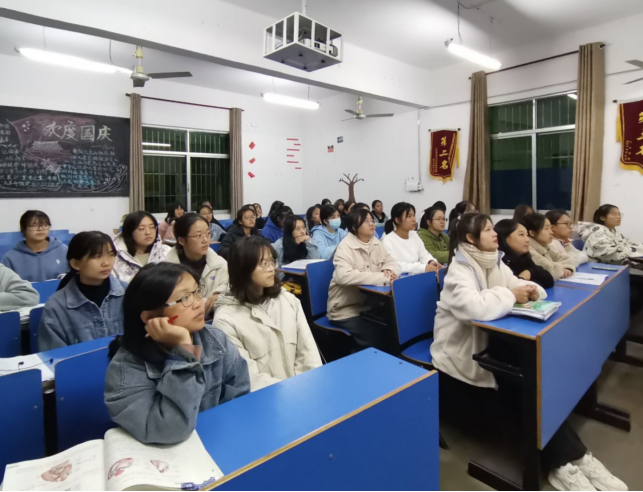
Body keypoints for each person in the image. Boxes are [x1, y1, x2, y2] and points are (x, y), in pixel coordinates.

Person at [432, 213, 625, 492]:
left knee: (533, 385)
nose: (494, 233)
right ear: (470, 239)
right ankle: (566, 462)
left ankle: (573, 459)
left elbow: (520, 284)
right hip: (462, 355)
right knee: (524, 393)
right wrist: (512, 295)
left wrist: (531, 290)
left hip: (494, 345)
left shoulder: (494, 260)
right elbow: (475, 307)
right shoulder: (459, 270)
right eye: (487, 230)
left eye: (493, 228)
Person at [104, 262, 250, 445]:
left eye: (197, 291)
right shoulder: (125, 370)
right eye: (185, 298)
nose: (199, 303)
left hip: (219, 441)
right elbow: (170, 430)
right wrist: (183, 351)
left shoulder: (215, 340)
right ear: (150, 317)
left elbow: (240, 396)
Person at [213, 236, 322, 392]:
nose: (271, 268)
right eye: (263, 264)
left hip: (303, 390)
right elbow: (249, 377)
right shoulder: (225, 320)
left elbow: (308, 352)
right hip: (266, 397)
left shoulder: (287, 300)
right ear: (243, 269)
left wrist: (306, 386)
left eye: (272, 261)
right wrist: (289, 391)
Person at [327, 209, 401, 352]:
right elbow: (343, 276)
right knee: (374, 337)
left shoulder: (375, 242)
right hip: (346, 309)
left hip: (369, 306)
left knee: (394, 328)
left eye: (372, 220)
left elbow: (392, 261)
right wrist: (382, 277)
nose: (372, 224)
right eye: (366, 221)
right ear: (354, 227)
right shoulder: (345, 247)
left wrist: (390, 270)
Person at [39, 232, 126, 351]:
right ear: (76, 264)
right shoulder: (56, 306)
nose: (106, 263)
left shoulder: (128, 292)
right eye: (96, 256)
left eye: (111, 255)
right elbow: (55, 355)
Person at [163, 214, 229, 316]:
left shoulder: (220, 265)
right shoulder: (166, 271)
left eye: (208, 233)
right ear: (182, 240)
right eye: (198, 235)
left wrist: (219, 296)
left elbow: (231, 292)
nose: (205, 240)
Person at [1, 210, 68, 283]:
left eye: (45, 225)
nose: (40, 229)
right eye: (34, 225)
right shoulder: (10, 258)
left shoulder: (64, 251)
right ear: (23, 229)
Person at [382, 202, 441, 274]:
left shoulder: (414, 234)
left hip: (418, 274)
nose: (414, 219)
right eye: (409, 216)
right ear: (397, 220)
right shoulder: (388, 240)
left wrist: (430, 261)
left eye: (414, 215)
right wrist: (422, 268)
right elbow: (394, 265)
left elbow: (424, 254)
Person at [495, 219, 554, 289]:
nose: (527, 240)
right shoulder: (499, 261)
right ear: (505, 237)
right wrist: (525, 278)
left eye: (526, 235)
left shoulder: (523, 258)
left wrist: (529, 272)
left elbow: (549, 281)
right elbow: (516, 287)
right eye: (521, 235)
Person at [113, 212, 171, 283]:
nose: (148, 232)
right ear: (129, 232)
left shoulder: (166, 251)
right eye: (141, 229)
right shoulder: (115, 257)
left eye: (152, 227)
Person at [522, 214, 575, 281]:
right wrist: (562, 268)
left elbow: (565, 258)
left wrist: (567, 268)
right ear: (532, 233)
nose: (551, 232)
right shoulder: (527, 248)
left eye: (550, 228)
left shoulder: (544, 245)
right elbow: (548, 268)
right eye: (546, 228)